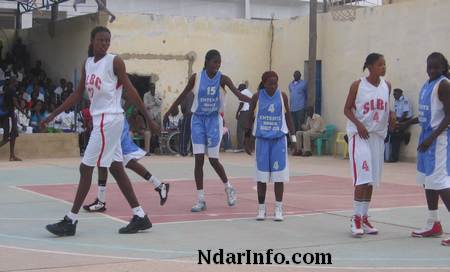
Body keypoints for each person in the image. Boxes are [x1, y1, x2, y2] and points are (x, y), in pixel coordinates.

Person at [42, 26, 159, 237]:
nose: (105, 43)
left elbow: (131, 91)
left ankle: (71, 220)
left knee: (85, 168)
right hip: (100, 120)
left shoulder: (114, 61)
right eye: (101, 40)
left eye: (107, 40)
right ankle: (140, 216)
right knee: (116, 167)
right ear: (92, 42)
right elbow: (77, 95)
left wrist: (149, 119)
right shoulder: (88, 64)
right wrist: (54, 114)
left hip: (110, 119)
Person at [164, 49, 251, 212]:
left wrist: (255, 101)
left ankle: (229, 187)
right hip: (197, 120)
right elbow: (183, 94)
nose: (217, 65)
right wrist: (169, 111)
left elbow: (238, 94)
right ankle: (201, 199)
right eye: (214, 62)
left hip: (213, 121)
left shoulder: (223, 79)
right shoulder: (196, 78)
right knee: (198, 160)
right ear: (206, 62)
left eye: (219, 62)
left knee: (213, 159)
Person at [344, 53, 395, 237]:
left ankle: (364, 216)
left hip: (377, 137)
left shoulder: (386, 86)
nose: (384, 67)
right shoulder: (358, 85)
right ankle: (355, 217)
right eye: (380, 64)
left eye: (385, 64)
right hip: (360, 136)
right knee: (363, 178)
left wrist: (392, 116)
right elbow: (346, 108)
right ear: (370, 66)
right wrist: (359, 124)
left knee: (371, 180)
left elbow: (386, 107)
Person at [402, 52, 450, 246]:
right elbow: (425, 115)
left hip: (439, 140)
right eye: (429, 67)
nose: (432, 70)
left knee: (440, 182)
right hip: (426, 137)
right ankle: (433, 223)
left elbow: (448, 117)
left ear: (443, 68)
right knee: (427, 181)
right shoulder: (428, 84)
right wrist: (406, 123)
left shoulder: (444, 85)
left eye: (436, 67)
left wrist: (431, 137)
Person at [83, 117, 170, 212]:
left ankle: (101, 202)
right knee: (109, 161)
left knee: (118, 162)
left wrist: (148, 119)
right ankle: (159, 185)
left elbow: (130, 103)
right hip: (109, 123)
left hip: (113, 123)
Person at [245, 71, 295, 221]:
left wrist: (293, 138)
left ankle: (278, 208)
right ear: (264, 83)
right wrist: (247, 139)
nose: (273, 86)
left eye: (275, 83)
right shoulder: (257, 97)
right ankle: (261, 208)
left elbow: (288, 116)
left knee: (279, 177)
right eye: (270, 83)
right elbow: (250, 118)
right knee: (261, 177)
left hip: (279, 140)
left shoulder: (282, 96)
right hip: (262, 140)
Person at [386, 88, 413, 162]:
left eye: (395, 94)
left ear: (400, 93)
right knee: (390, 133)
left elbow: (405, 114)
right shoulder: (396, 101)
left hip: (406, 120)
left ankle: (394, 158)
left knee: (395, 135)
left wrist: (397, 122)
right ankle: (404, 135)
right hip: (399, 119)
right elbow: (396, 113)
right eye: (393, 94)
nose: (394, 96)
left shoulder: (405, 100)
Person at [0, 77, 21, 161]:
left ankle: (12, 155)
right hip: (9, 116)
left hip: (9, 116)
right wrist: (24, 112)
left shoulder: (6, 91)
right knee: (6, 138)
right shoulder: (12, 90)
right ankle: (12, 156)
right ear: (13, 82)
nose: (17, 83)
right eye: (16, 81)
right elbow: (15, 103)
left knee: (13, 135)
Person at [144, 82, 162, 154]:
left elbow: (160, 103)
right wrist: (154, 103)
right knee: (149, 133)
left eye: (154, 88)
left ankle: (158, 150)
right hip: (150, 117)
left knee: (158, 133)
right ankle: (148, 150)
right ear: (149, 88)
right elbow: (146, 106)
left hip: (157, 115)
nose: (153, 89)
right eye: (151, 88)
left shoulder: (158, 94)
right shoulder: (146, 95)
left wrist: (154, 97)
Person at [235, 83, 253, 151]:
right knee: (248, 129)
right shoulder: (249, 92)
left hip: (244, 112)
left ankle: (240, 146)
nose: (238, 91)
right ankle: (249, 146)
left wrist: (237, 113)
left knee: (240, 129)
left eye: (239, 89)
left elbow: (241, 104)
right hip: (250, 112)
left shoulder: (242, 92)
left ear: (241, 89)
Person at [179, 91, 194, 156]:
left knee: (184, 134)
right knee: (194, 135)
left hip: (188, 115)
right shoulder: (195, 93)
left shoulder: (185, 94)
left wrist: (183, 112)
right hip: (196, 116)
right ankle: (193, 151)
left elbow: (183, 107)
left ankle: (183, 151)